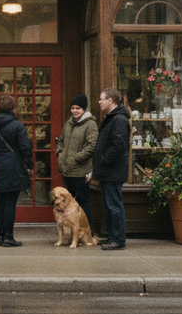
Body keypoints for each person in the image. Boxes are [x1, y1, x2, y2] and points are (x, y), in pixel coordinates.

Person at [0, 93, 32, 247]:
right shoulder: (18, 126)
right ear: (13, 107)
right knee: (10, 203)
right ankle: (9, 237)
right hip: (13, 167)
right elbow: (25, 148)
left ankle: (1, 236)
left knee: (1, 203)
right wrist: (29, 165)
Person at [90, 87, 131, 250]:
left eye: (102, 99)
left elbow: (118, 145)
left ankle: (118, 239)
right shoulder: (112, 118)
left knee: (114, 205)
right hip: (108, 171)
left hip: (113, 170)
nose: (99, 102)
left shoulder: (119, 119)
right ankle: (113, 237)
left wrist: (103, 160)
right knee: (110, 205)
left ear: (111, 101)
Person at [56, 95, 98, 224]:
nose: (74, 111)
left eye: (78, 108)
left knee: (83, 201)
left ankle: (86, 230)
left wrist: (76, 158)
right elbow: (61, 140)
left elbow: (92, 146)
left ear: (84, 109)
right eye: (72, 108)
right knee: (69, 203)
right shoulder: (69, 123)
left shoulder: (90, 125)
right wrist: (60, 153)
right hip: (67, 169)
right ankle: (71, 229)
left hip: (81, 170)